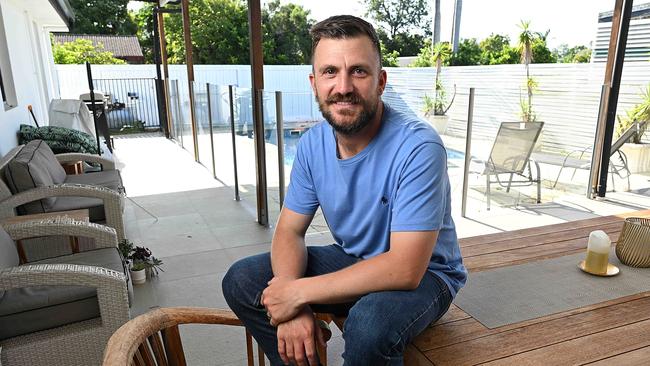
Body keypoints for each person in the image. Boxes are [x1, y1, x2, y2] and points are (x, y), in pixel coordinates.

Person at [222, 15, 466, 366]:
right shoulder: (311, 145)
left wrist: (298, 292)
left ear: (381, 81)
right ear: (314, 82)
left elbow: (405, 268)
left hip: (427, 275)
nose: (343, 86)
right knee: (243, 279)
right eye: (330, 71)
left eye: (359, 71)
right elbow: (290, 230)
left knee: (368, 324)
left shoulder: (418, 147)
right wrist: (292, 308)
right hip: (354, 259)